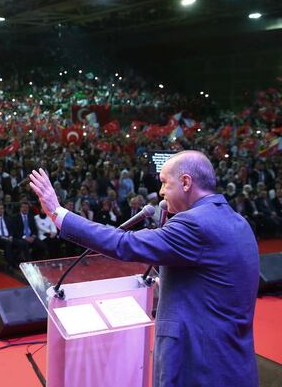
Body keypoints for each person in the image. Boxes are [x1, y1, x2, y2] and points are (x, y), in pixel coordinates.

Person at [29, 150, 259, 387]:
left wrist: (58, 214)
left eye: (164, 183)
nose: (160, 192)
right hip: (232, 362)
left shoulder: (195, 224)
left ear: (186, 182)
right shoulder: (236, 220)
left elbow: (124, 244)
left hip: (199, 367)